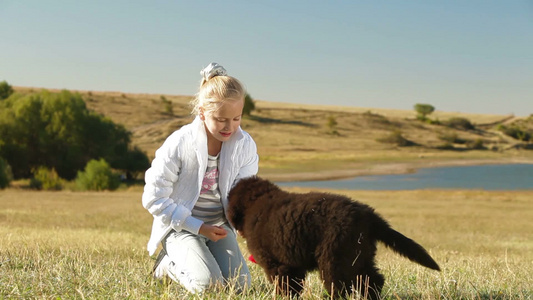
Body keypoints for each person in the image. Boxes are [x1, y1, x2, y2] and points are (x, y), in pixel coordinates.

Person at [141, 62, 259, 294]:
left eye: (236, 118)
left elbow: (245, 194)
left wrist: (247, 223)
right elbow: (153, 197)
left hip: (220, 228)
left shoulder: (245, 145)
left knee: (240, 287)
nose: (230, 127)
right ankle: (167, 266)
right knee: (209, 286)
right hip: (181, 228)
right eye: (221, 119)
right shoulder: (180, 143)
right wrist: (198, 227)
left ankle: (201, 260)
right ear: (202, 113)